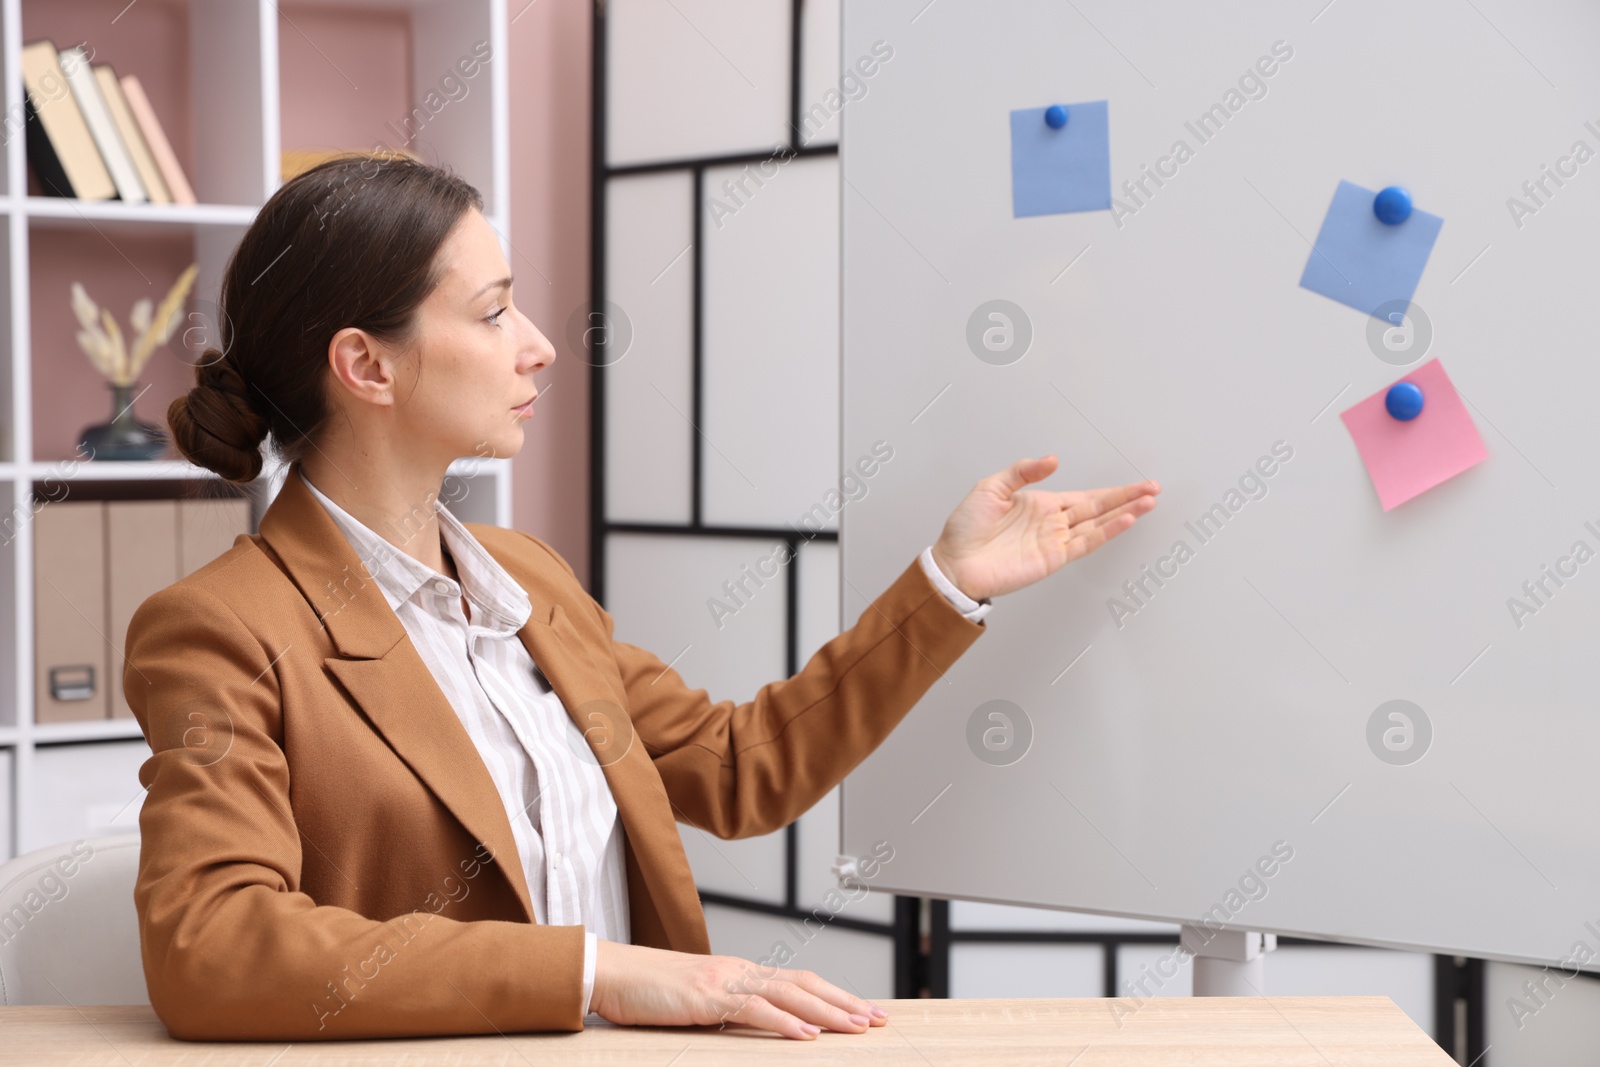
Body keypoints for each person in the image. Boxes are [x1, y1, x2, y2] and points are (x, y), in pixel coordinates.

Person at [128, 155, 1160, 1042]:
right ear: (365, 364)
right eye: (491, 312)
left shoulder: (524, 577)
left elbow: (739, 767)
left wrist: (949, 583)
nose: (536, 342)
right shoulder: (224, 629)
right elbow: (210, 942)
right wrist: (599, 971)